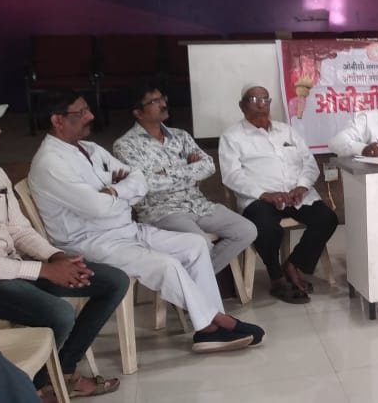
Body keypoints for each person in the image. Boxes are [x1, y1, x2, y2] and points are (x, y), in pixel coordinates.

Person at [28, 92, 263, 353]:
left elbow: (139, 179)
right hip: (92, 242)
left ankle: (210, 324)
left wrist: (115, 190)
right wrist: (122, 192)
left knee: (195, 245)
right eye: (80, 113)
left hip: (126, 230)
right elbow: (98, 207)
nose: (90, 116)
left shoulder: (91, 149)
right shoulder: (51, 163)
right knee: (167, 264)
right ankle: (213, 324)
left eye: (87, 110)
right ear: (57, 120)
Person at [0, 103, 126, 397]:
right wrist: (43, 270)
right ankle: (35, 387)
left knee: (113, 281)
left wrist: (56, 257)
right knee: (59, 314)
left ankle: (62, 370)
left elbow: (19, 229)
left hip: (15, 265)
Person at [112, 85, 256, 277]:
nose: (163, 104)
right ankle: (200, 285)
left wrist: (167, 172)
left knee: (247, 230)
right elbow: (147, 184)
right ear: (138, 112)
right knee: (201, 244)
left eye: (162, 98)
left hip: (199, 204)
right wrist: (188, 169)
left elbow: (208, 166)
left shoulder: (180, 135)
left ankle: (189, 282)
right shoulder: (125, 145)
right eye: (154, 101)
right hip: (162, 211)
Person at [220, 84, 338, 305]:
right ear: (242, 106)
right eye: (254, 100)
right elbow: (231, 175)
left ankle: (293, 265)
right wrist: (263, 194)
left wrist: (302, 186)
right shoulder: (232, 136)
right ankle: (276, 278)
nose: (261, 105)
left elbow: (309, 164)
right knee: (267, 227)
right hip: (259, 198)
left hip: (296, 195)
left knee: (327, 219)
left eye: (265, 100)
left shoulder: (287, 131)